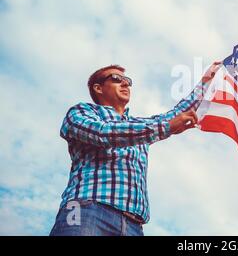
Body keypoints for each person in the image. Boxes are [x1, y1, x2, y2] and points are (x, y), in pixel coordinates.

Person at [49, 62, 221, 236]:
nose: (125, 84)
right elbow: (103, 133)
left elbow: (176, 115)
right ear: (98, 88)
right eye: (117, 79)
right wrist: (164, 127)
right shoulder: (81, 111)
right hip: (86, 210)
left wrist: (206, 80)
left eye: (127, 80)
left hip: (134, 225)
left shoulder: (138, 125)